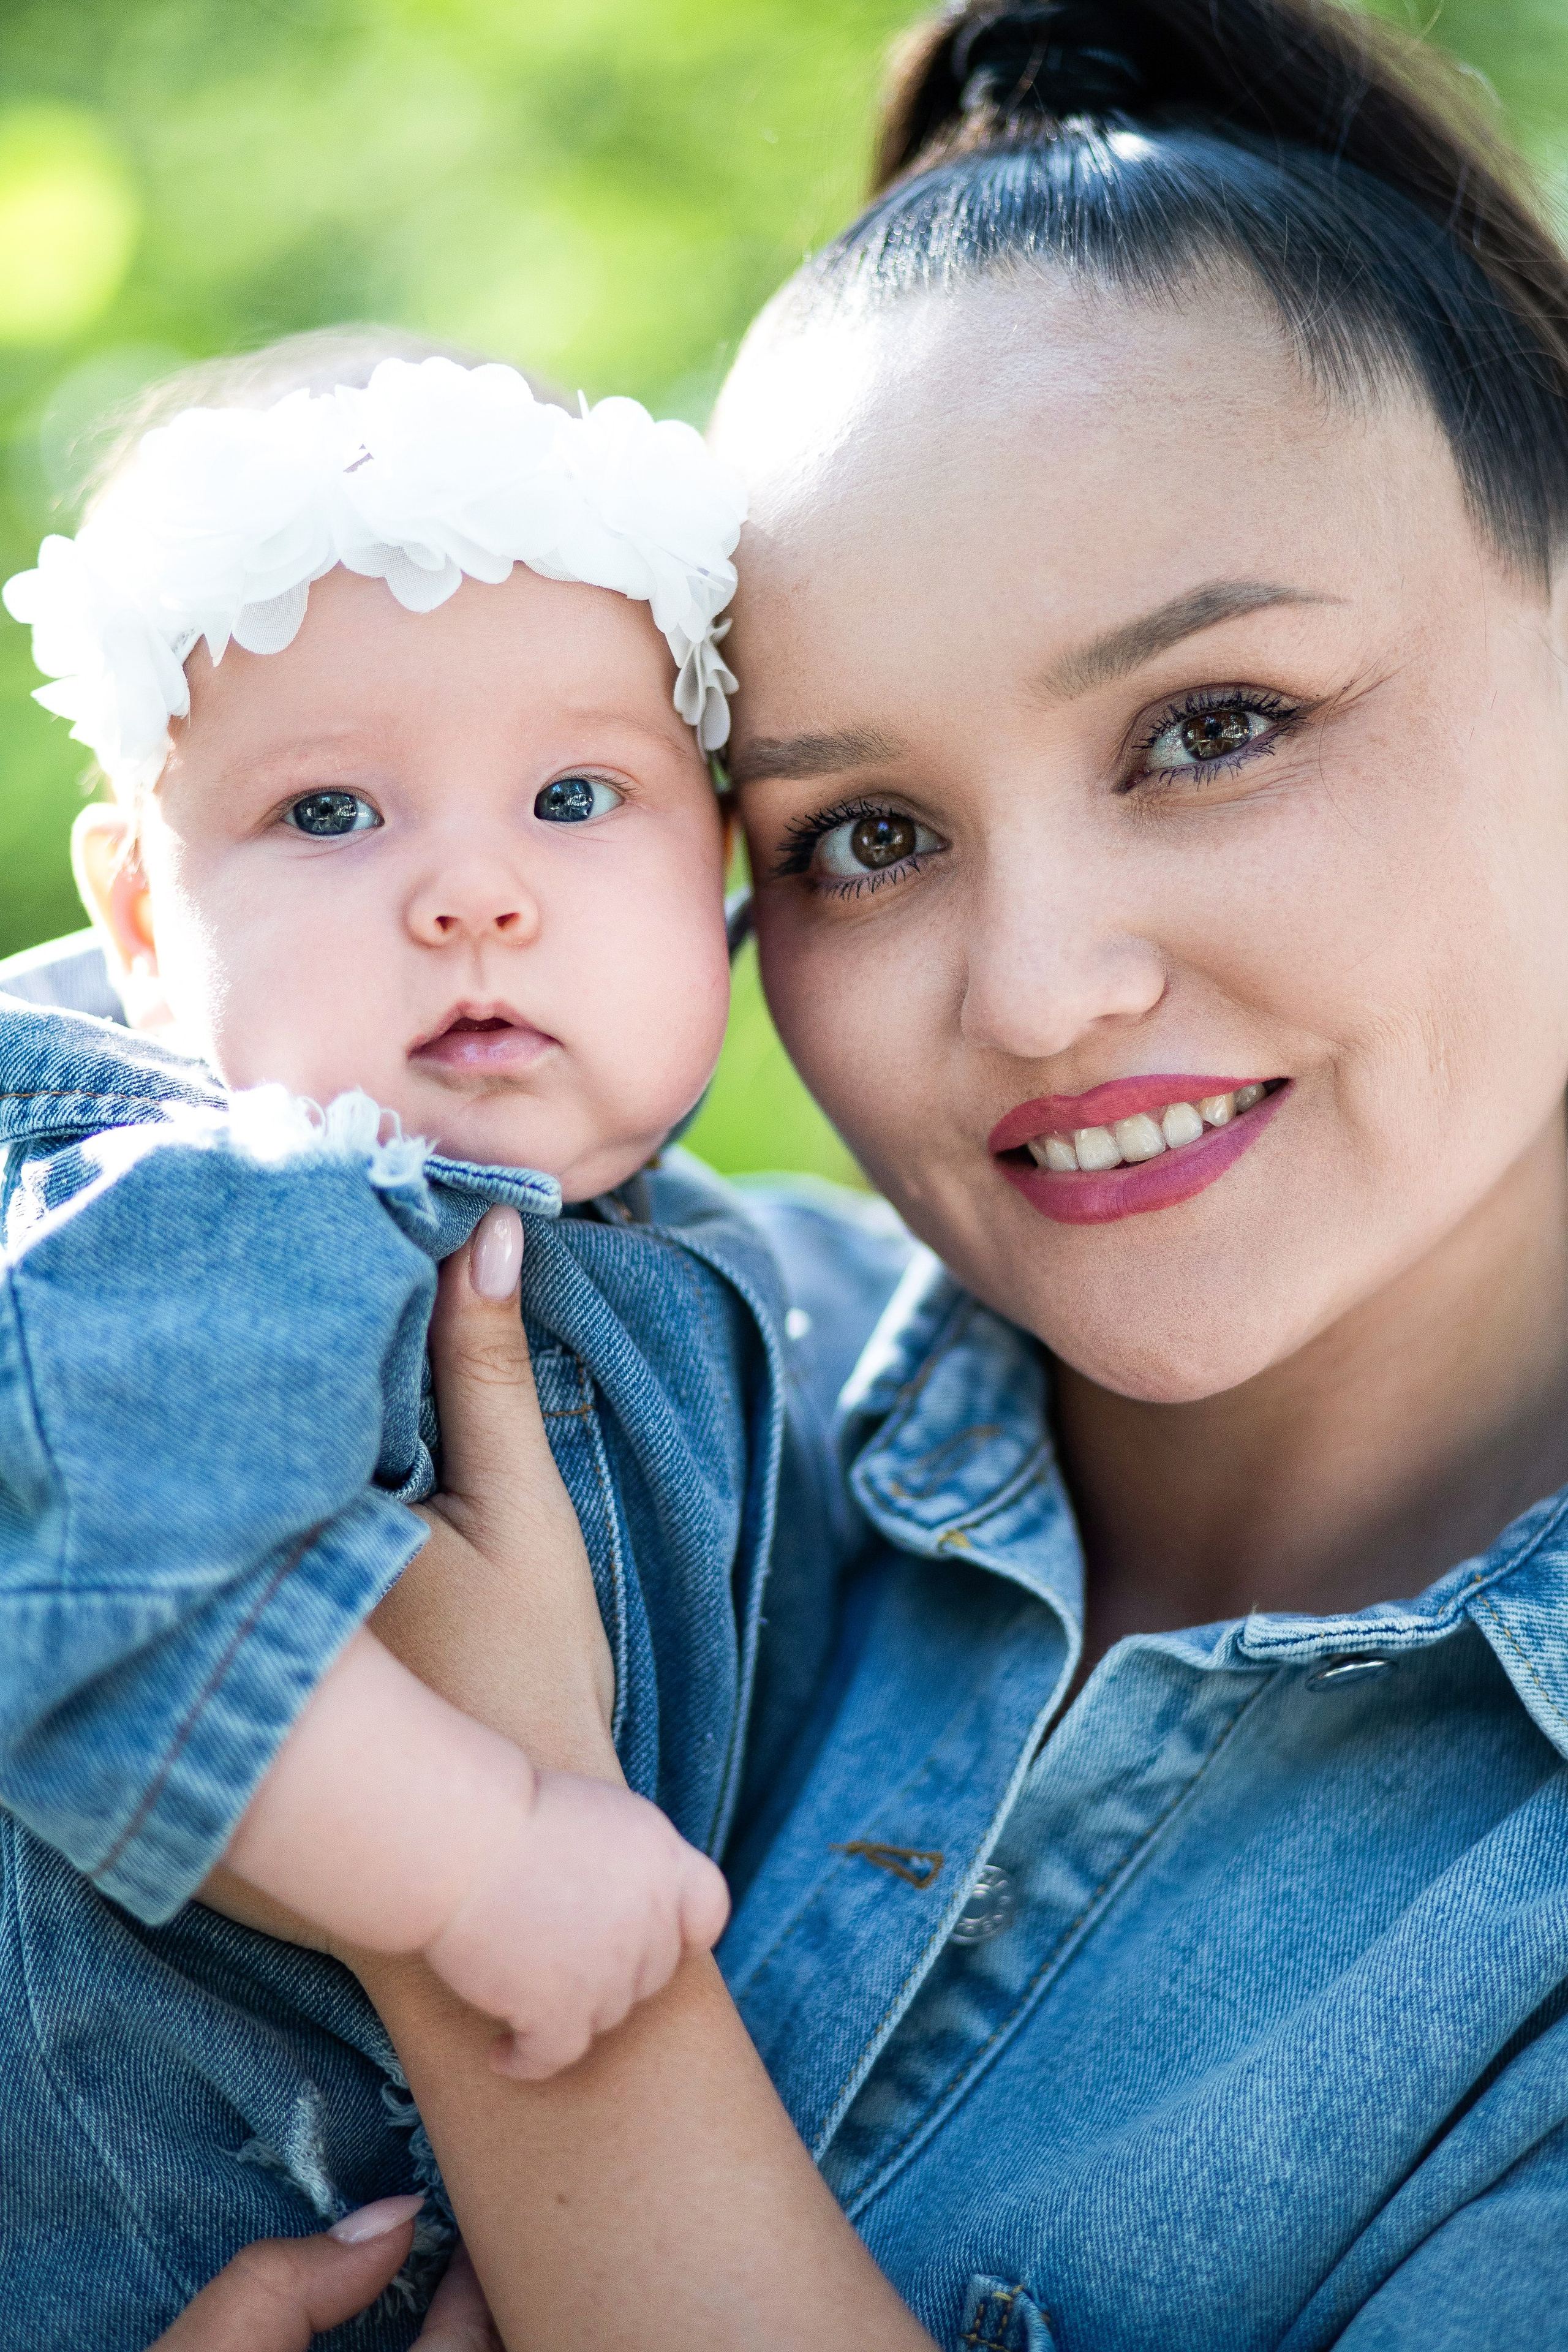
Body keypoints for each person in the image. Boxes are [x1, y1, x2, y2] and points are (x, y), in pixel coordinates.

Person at [173, 0, 1568, 2345]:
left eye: (1215, 727)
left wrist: (485, 1852)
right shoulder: (570, 1390)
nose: (1033, 992)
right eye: (865, 837)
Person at [0, 336, 851, 2348]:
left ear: (716, 866)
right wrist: (473, 1861)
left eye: (574, 797)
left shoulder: (736, 1262)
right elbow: (89, 1579)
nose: (472, 892)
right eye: (326, 810)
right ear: (141, 915)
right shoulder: (206, 1204)